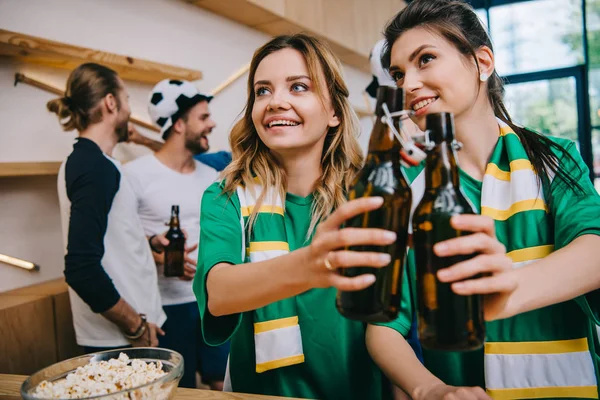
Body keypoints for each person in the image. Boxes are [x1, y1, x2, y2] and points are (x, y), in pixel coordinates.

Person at [367, 1, 600, 399]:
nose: (407, 85)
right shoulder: (404, 192)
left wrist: (504, 291)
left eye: (426, 59)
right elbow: (382, 325)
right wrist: (430, 389)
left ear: (482, 61)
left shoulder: (555, 159)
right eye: (398, 74)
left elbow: (593, 250)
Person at [194, 34, 414, 399]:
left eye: (298, 87)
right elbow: (218, 293)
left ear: (333, 112)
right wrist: (309, 264)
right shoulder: (225, 196)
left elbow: (389, 323)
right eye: (262, 91)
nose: (276, 101)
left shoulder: (370, 196)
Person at [49, 63, 168, 354]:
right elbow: (81, 268)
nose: (129, 108)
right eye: (126, 99)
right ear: (111, 102)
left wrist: (148, 243)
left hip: (131, 334)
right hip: (122, 340)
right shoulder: (94, 167)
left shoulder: (95, 163)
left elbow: (109, 233)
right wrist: (136, 326)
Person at [124, 79, 229, 390]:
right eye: (203, 117)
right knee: (177, 390)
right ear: (180, 124)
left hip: (212, 301)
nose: (212, 124)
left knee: (221, 382)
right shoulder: (135, 175)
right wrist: (158, 256)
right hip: (165, 308)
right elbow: (120, 241)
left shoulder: (213, 176)